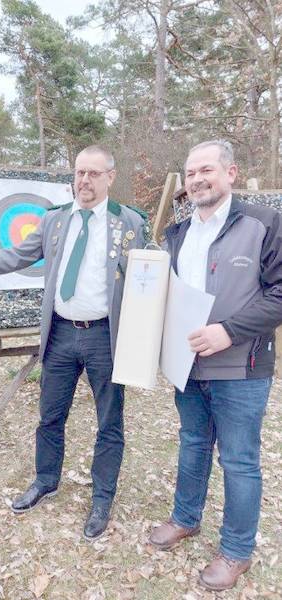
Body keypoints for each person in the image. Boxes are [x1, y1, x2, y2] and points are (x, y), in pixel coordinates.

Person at [0, 145, 145, 540]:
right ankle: (46, 480)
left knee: (109, 421)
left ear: (110, 177)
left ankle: (102, 497)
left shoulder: (129, 223)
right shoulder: (55, 220)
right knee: (50, 415)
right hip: (60, 333)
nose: (85, 180)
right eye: (80, 172)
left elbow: (147, 282)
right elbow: (14, 256)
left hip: (105, 336)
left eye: (94, 173)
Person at [149, 140, 282, 591]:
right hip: (188, 367)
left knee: (239, 460)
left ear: (231, 173)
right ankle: (185, 519)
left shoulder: (264, 224)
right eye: (190, 173)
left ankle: (236, 551)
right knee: (192, 444)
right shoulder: (177, 233)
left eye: (206, 169)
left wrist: (229, 330)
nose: (197, 179)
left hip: (241, 368)